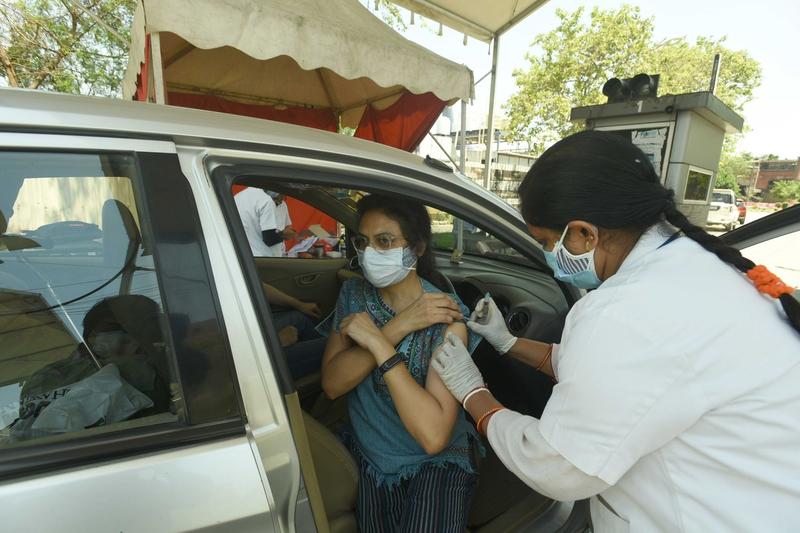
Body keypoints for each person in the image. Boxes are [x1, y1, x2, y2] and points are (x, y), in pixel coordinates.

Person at [432, 130, 800, 532]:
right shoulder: (688, 266)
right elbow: (614, 375)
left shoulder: (631, 311)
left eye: (545, 241)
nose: (545, 254)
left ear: (584, 234)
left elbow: (557, 466)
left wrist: (473, 394)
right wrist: (508, 342)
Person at [320, 194, 481, 532]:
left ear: (418, 247)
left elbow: (434, 435)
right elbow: (333, 384)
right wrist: (399, 326)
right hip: (375, 456)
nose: (369, 252)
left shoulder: (446, 316)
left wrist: (378, 342)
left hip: (436, 462)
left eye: (385, 241)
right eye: (363, 242)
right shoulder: (353, 296)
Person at [234, 186, 282, 256]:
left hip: (243, 255)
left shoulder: (237, 197)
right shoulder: (266, 201)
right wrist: (283, 235)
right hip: (264, 257)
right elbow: (269, 239)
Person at [266, 191, 297, 257]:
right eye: (280, 196)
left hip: (280, 249)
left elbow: (288, 225)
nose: (283, 199)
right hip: (266, 251)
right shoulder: (263, 205)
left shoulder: (283, 204)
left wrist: (291, 233)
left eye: (284, 196)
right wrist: (281, 234)